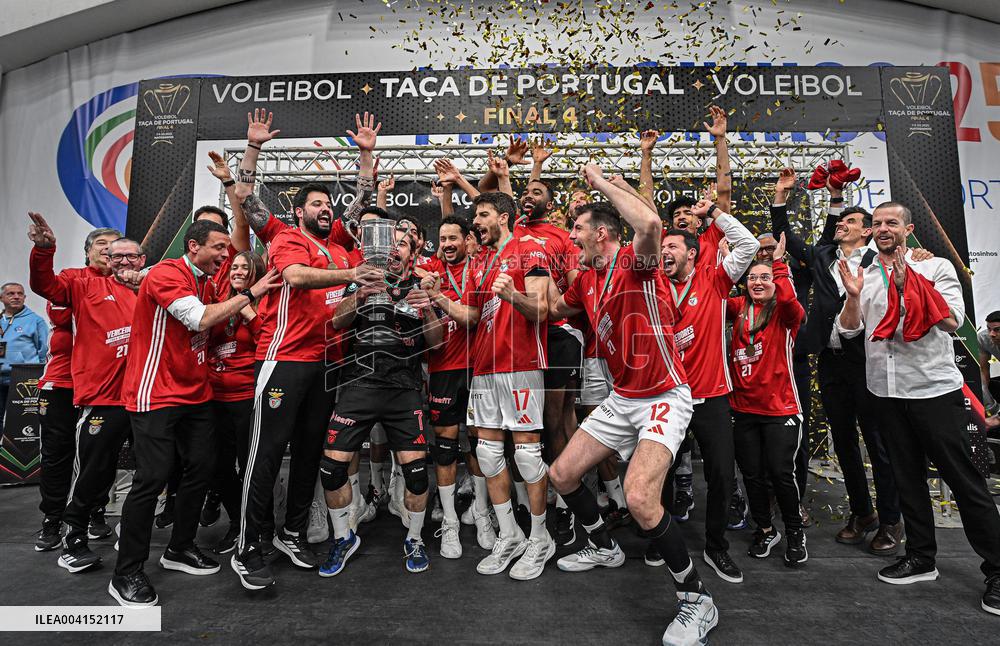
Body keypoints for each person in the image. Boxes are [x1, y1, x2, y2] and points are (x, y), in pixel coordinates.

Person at [546, 166, 716, 646]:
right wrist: (516, 288)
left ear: (601, 234)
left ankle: (697, 598)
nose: (571, 236)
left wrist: (602, 182)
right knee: (561, 474)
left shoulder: (634, 262)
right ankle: (604, 546)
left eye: (577, 228)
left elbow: (650, 224)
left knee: (640, 497)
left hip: (664, 395)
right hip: (623, 398)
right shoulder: (587, 278)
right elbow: (554, 310)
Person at [836, 201, 1000, 616]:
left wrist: (910, 280)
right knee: (906, 479)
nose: (883, 228)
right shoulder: (861, 273)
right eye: (877, 223)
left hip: (933, 391)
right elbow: (848, 331)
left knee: (964, 482)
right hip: (885, 392)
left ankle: (998, 570)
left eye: (892, 222)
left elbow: (952, 320)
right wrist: (853, 296)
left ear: (908, 229)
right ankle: (921, 557)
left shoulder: (935, 267)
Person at [109, 219, 280, 606]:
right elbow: (199, 319)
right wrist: (250, 294)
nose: (224, 255)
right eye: (218, 247)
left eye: (226, 248)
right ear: (193, 246)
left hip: (195, 394)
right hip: (156, 393)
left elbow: (214, 325)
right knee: (152, 478)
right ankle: (126, 572)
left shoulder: (206, 282)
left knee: (202, 469)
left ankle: (180, 547)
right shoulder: (168, 273)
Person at [771, 167, 904, 554]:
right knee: (843, 441)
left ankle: (891, 520)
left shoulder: (880, 260)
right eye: (840, 220)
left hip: (869, 360)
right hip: (830, 361)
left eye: (851, 221)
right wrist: (781, 196)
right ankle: (863, 514)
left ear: (866, 231)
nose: (842, 224)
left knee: (877, 443)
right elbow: (784, 234)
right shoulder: (822, 256)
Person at [424, 189, 554, 581]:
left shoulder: (530, 250)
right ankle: (510, 535)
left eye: (482, 215)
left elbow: (542, 309)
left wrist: (513, 295)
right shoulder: (481, 261)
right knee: (488, 453)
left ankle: (540, 538)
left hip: (520, 364)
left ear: (503, 216)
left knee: (527, 456)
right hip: (483, 368)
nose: (476, 222)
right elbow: (472, 315)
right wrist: (437, 297)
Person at [320, 226, 443, 575]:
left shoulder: (420, 287)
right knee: (331, 470)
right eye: (390, 244)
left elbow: (436, 343)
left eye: (402, 244)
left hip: (404, 389)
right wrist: (359, 295)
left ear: (412, 253)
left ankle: (414, 539)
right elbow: (337, 321)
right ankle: (343, 538)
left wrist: (428, 309)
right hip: (359, 386)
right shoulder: (360, 281)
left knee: (416, 475)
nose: (393, 249)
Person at [27, 213, 145, 573]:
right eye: (104, 247)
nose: (111, 252)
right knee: (77, 462)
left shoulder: (144, 285)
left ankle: (108, 520)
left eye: (119, 248)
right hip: (93, 392)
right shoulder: (78, 283)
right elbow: (47, 288)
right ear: (90, 252)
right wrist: (43, 250)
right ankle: (65, 529)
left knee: (139, 468)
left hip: (140, 396)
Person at [660, 193, 759, 584]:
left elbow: (748, 245)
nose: (665, 252)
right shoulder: (654, 285)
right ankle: (660, 540)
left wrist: (714, 212)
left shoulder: (714, 279)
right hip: (668, 395)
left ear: (691, 253)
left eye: (673, 247)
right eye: (663, 246)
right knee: (660, 473)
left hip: (711, 394)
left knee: (720, 474)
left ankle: (716, 547)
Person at [725, 234, 809, 566]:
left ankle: (795, 531)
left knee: (780, 473)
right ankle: (764, 529)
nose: (758, 283)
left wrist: (778, 263)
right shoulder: (738, 308)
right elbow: (711, 298)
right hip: (743, 409)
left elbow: (788, 298)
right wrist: (725, 264)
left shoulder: (786, 314)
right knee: (752, 475)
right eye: (752, 278)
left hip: (780, 410)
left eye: (765, 278)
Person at [424, 215, 494, 558]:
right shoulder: (431, 270)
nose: (448, 244)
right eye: (443, 239)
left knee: (480, 445)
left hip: (479, 368)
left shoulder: (480, 269)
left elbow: (474, 317)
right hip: (443, 369)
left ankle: (481, 512)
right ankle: (450, 521)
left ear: (468, 240)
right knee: (445, 448)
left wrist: (438, 297)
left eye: (454, 238)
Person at [205, 251, 266, 554]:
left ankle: (254, 527)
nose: (238, 271)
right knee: (219, 465)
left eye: (245, 267)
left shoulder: (265, 303)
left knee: (250, 466)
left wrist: (248, 310)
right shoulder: (220, 302)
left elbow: (267, 342)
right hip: (214, 396)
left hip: (247, 397)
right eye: (235, 267)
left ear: (257, 273)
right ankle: (234, 520)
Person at [0, 282, 48, 424]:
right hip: (0, 376)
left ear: (24, 297)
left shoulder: (36, 321)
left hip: (24, 378)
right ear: (1, 298)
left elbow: (44, 349)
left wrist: (39, 374)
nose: (16, 297)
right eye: (11, 294)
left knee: (22, 419)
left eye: (20, 294)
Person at [978, 311, 1000, 426]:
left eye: (997, 330)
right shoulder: (983, 338)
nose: (991, 334)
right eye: (989, 329)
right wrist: (988, 410)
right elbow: (984, 371)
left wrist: (998, 419)